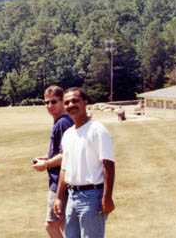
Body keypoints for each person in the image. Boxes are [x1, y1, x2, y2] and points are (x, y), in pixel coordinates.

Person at [53, 88, 115, 238]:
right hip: (72, 197)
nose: (71, 105)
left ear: (85, 102)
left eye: (75, 101)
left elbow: (108, 165)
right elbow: (64, 169)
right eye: (67, 102)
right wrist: (59, 197)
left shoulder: (97, 129)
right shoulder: (68, 134)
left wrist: (107, 197)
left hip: (92, 198)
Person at [33, 85, 74, 238]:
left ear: (63, 102)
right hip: (63, 181)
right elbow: (62, 152)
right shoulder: (63, 121)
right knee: (65, 224)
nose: (49, 106)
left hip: (60, 182)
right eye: (46, 102)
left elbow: (67, 155)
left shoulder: (62, 123)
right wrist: (47, 158)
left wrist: (47, 164)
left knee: (51, 225)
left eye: (54, 102)